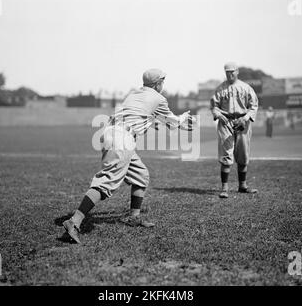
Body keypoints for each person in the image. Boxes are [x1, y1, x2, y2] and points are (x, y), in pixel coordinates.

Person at [63, 69, 196, 243]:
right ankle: (74, 221)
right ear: (158, 83)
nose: (163, 84)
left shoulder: (134, 94)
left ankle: (134, 217)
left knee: (141, 175)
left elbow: (141, 116)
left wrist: (157, 123)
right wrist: (183, 119)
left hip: (112, 133)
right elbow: (172, 121)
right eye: (162, 81)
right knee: (107, 181)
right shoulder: (159, 98)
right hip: (122, 139)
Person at [210, 62, 259, 199]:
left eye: (232, 71)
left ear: (237, 71)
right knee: (226, 154)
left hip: (243, 121)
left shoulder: (246, 87)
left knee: (243, 153)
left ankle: (242, 186)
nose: (230, 74)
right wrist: (218, 114)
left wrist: (246, 117)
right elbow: (214, 107)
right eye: (227, 72)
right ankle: (224, 188)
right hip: (225, 121)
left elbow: (254, 106)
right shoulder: (220, 89)